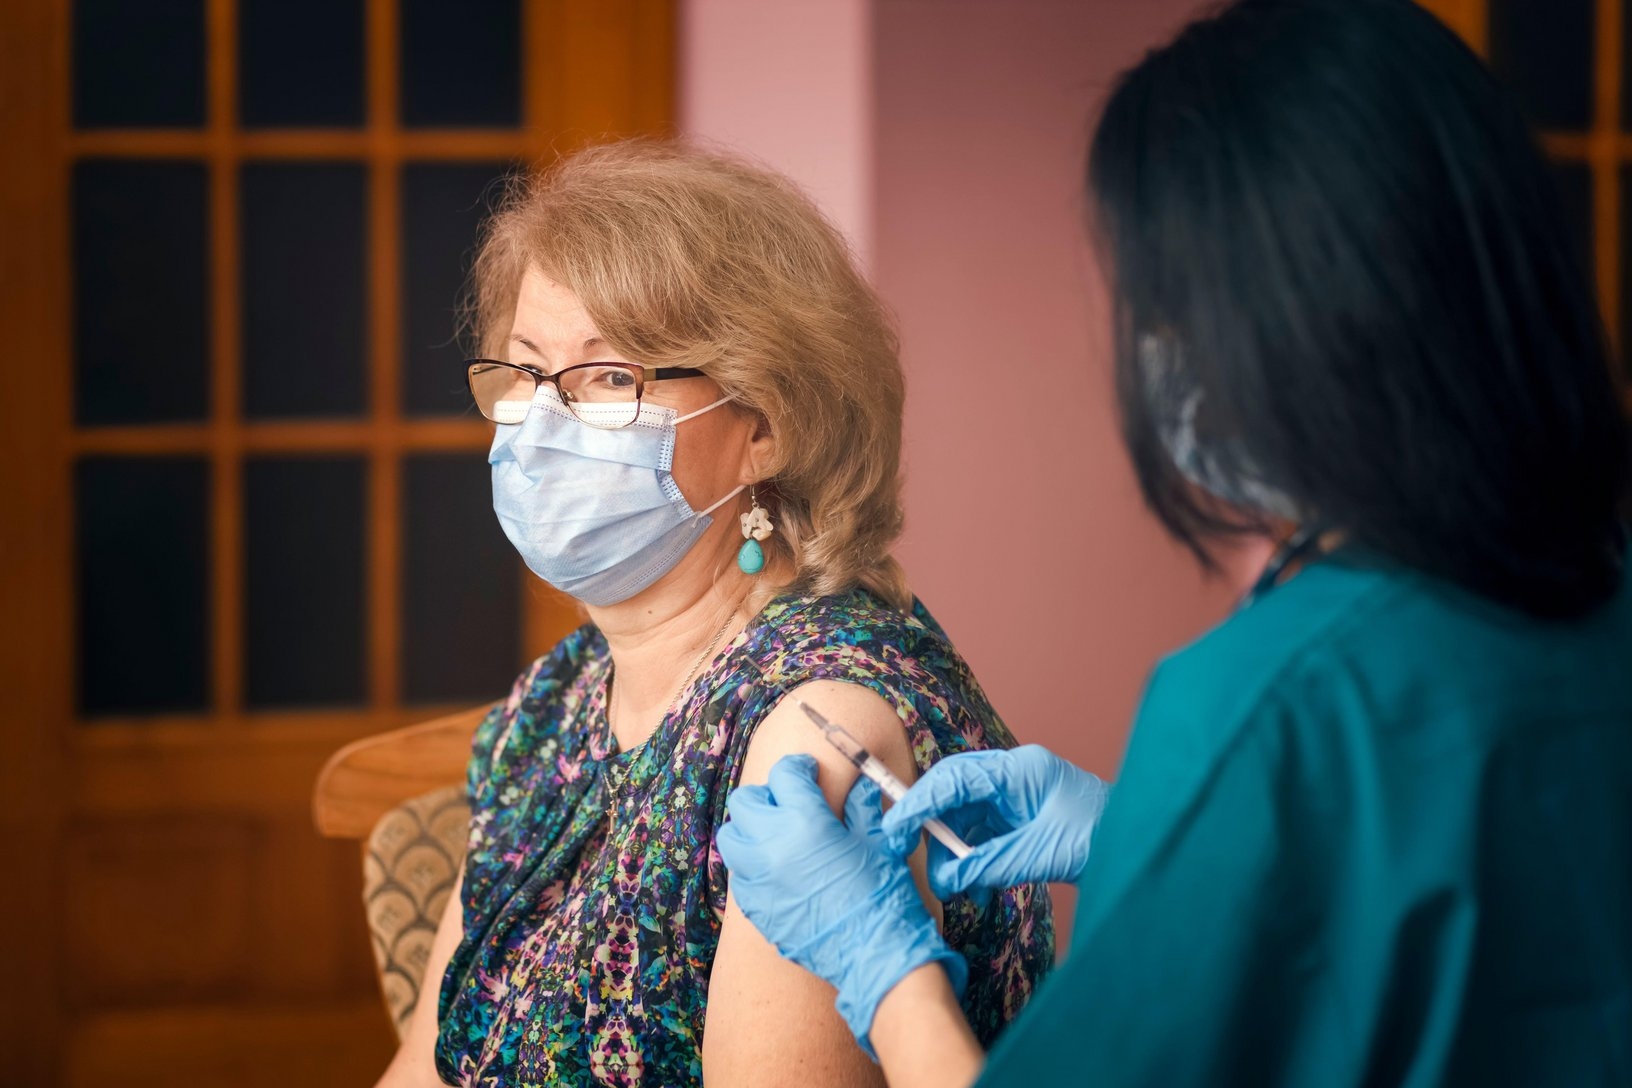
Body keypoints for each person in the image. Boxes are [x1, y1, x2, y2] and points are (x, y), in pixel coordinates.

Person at [717, 0, 1632, 1084]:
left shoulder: (1272, 703)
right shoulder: (1591, 599)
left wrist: (879, 961)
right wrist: (1164, 844)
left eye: (1165, 312)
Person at [373, 143, 1053, 1088]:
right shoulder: (561, 697)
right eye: (526, 372)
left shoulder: (816, 728)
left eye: (611, 379)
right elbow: (424, 1069)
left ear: (765, 427)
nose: (543, 422)